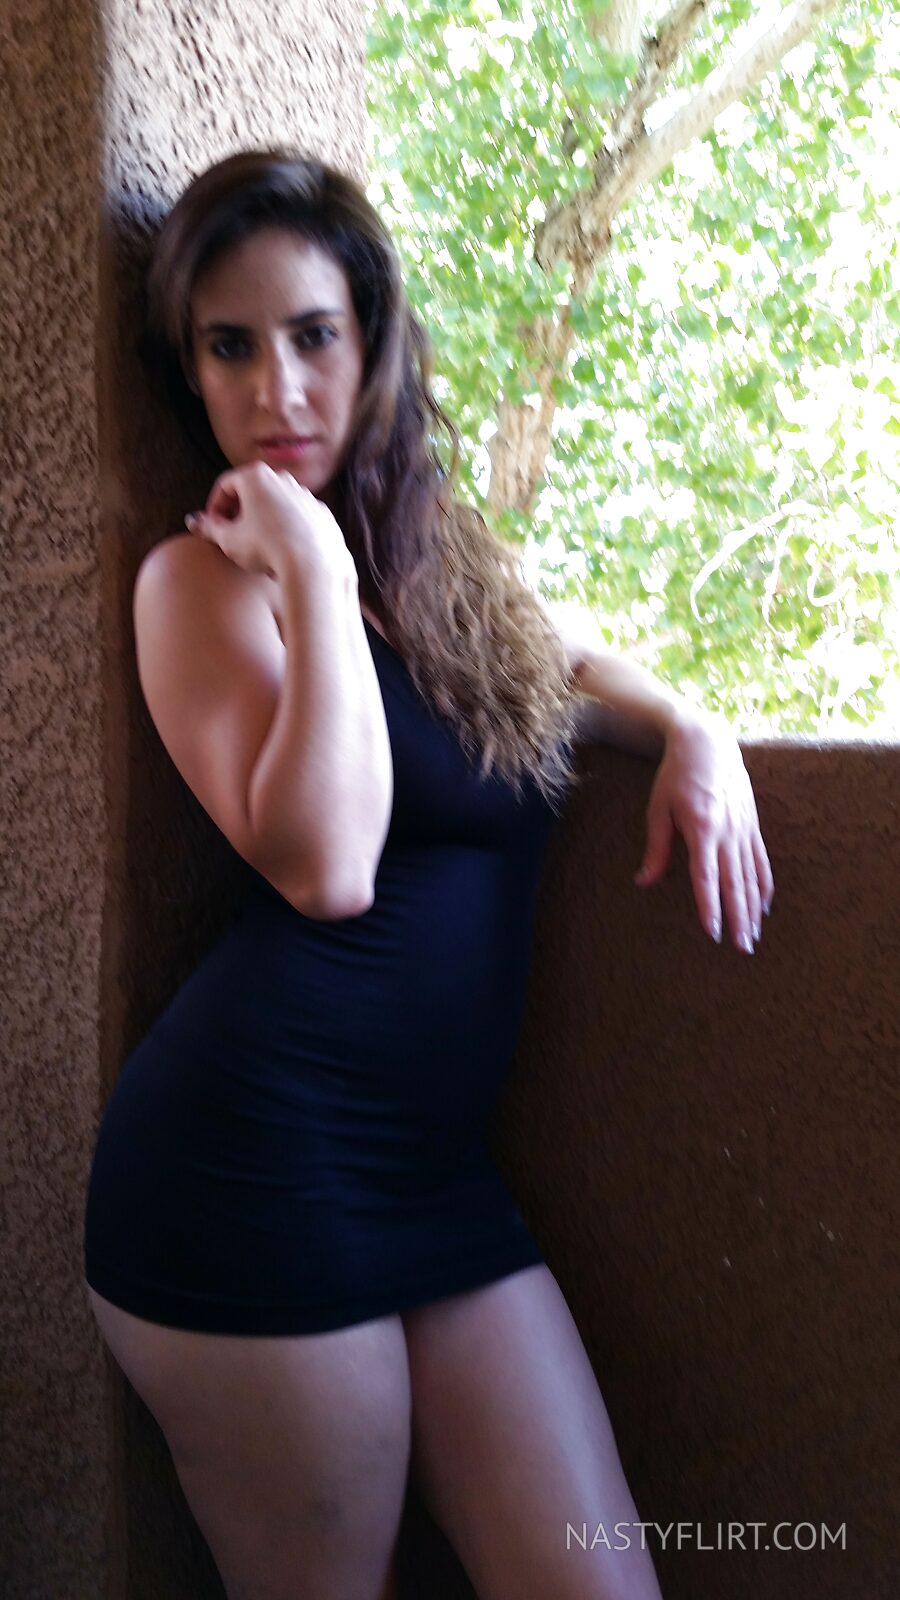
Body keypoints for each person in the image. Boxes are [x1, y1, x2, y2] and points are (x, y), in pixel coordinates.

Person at [83, 148, 773, 1600]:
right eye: (230, 346)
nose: (278, 389)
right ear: (189, 371)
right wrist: (315, 579)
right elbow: (326, 866)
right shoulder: (199, 584)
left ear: (375, 341)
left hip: (430, 1178)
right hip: (250, 1179)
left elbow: (566, 668)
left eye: (313, 335)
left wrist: (693, 729)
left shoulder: (430, 558)